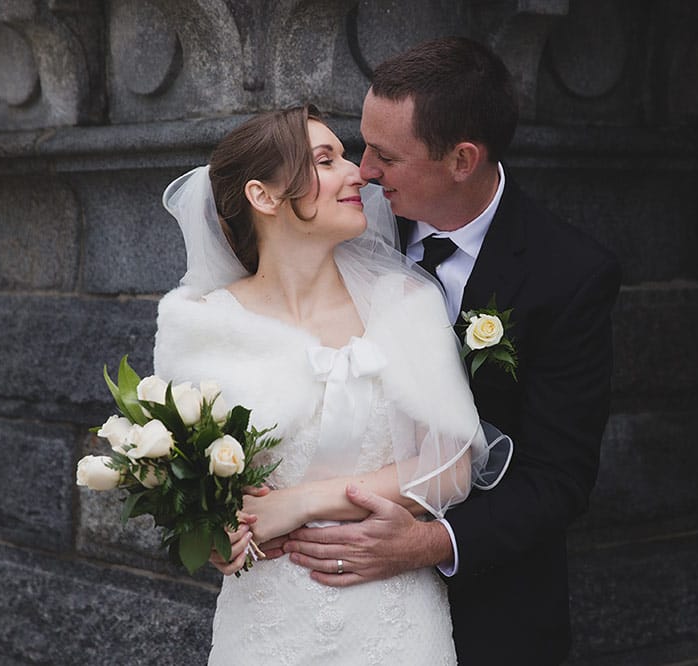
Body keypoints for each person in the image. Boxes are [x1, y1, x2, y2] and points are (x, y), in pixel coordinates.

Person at [281, 37, 623, 664]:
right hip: (327, 604)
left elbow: (560, 478)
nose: (365, 172)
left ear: (462, 160)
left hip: (490, 613)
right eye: (361, 147)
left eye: (386, 155)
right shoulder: (350, 230)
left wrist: (426, 543)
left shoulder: (568, 275)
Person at [154, 105, 504, 664]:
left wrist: (299, 504)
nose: (358, 173)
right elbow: (183, 486)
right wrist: (217, 535)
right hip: (265, 621)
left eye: (346, 157)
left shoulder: (405, 304)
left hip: (393, 617)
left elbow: (453, 467)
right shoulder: (197, 325)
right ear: (264, 196)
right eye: (326, 160)